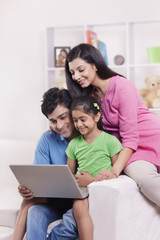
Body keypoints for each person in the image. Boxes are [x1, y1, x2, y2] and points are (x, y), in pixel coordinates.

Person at [65, 43, 160, 207]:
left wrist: (114, 171)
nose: (76, 76)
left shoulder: (121, 86)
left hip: (150, 137)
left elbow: (130, 137)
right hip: (129, 148)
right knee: (142, 177)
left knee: (141, 176)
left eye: (81, 69)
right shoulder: (91, 96)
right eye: (72, 72)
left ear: (95, 65)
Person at [12, 88, 80, 240]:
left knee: (29, 204)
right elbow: (39, 180)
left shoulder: (86, 138)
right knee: (34, 210)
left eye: (63, 117)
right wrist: (28, 189)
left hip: (79, 202)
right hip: (54, 201)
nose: (60, 125)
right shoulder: (47, 139)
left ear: (72, 110)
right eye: (53, 121)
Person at [66, 96, 122, 240]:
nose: (79, 124)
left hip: (103, 184)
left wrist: (91, 181)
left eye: (83, 119)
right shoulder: (73, 144)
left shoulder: (110, 141)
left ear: (96, 116)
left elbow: (118, 171)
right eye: (75, 120)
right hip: (82, 188)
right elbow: (69, 173)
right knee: (79, 207)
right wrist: (78, 181)